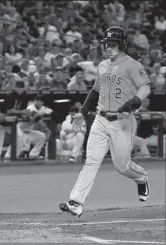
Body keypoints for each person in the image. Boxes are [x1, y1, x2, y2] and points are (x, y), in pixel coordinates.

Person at [59, 26, 151, 217]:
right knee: (91, 161)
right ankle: (76, 202)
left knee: (122, 166)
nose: (109, 47)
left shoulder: (132, 64)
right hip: (100, 120)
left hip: (122, 120)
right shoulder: (102, 65)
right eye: (107, 43)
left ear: (122, 44)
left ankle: (141, 177)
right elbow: (95, 91)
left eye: (113, 43)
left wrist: (134, 101)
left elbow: (145, 87)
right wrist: (83, 112)